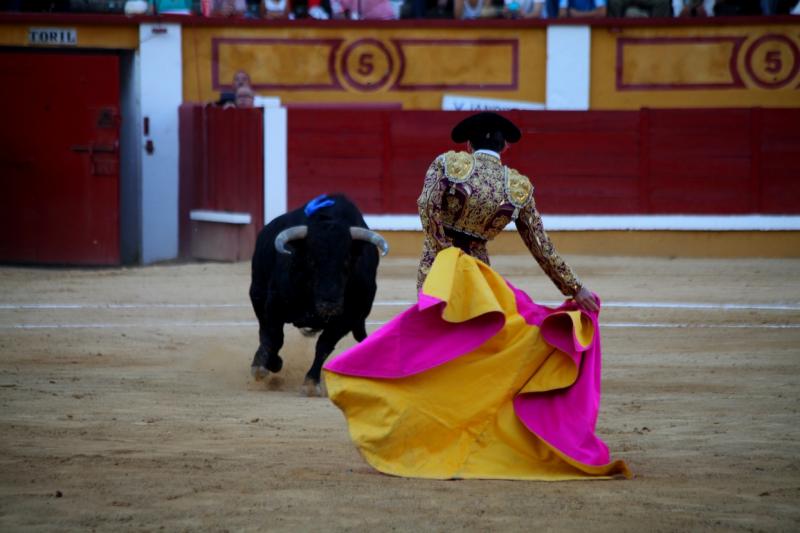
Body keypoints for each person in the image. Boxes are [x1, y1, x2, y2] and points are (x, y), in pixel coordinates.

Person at [323, 112, 631, 481]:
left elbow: (426, 206)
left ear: (467, 145)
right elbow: (541, 247)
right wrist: (574, 288)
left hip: (439, 268)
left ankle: (422, 427)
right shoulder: (518, 187)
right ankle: (469, 425)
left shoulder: (448, 164)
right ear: (505, 147)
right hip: (480, 275)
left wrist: (443, 252)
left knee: (435, 348)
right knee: (477, 351)